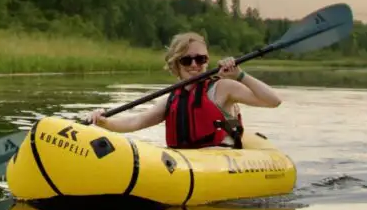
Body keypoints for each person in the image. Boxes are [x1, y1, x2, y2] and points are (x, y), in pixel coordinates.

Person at [88, 31, 282, 148]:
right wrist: (104, 121)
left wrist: (240, 75)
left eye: (201, 59)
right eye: (187, 60)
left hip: (219, 159)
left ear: (207, 61)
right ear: (176, 64)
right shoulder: (171, 99)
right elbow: (136, 121)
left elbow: (273, 101)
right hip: (185, 163)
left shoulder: (223, 87)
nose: (195, 65)